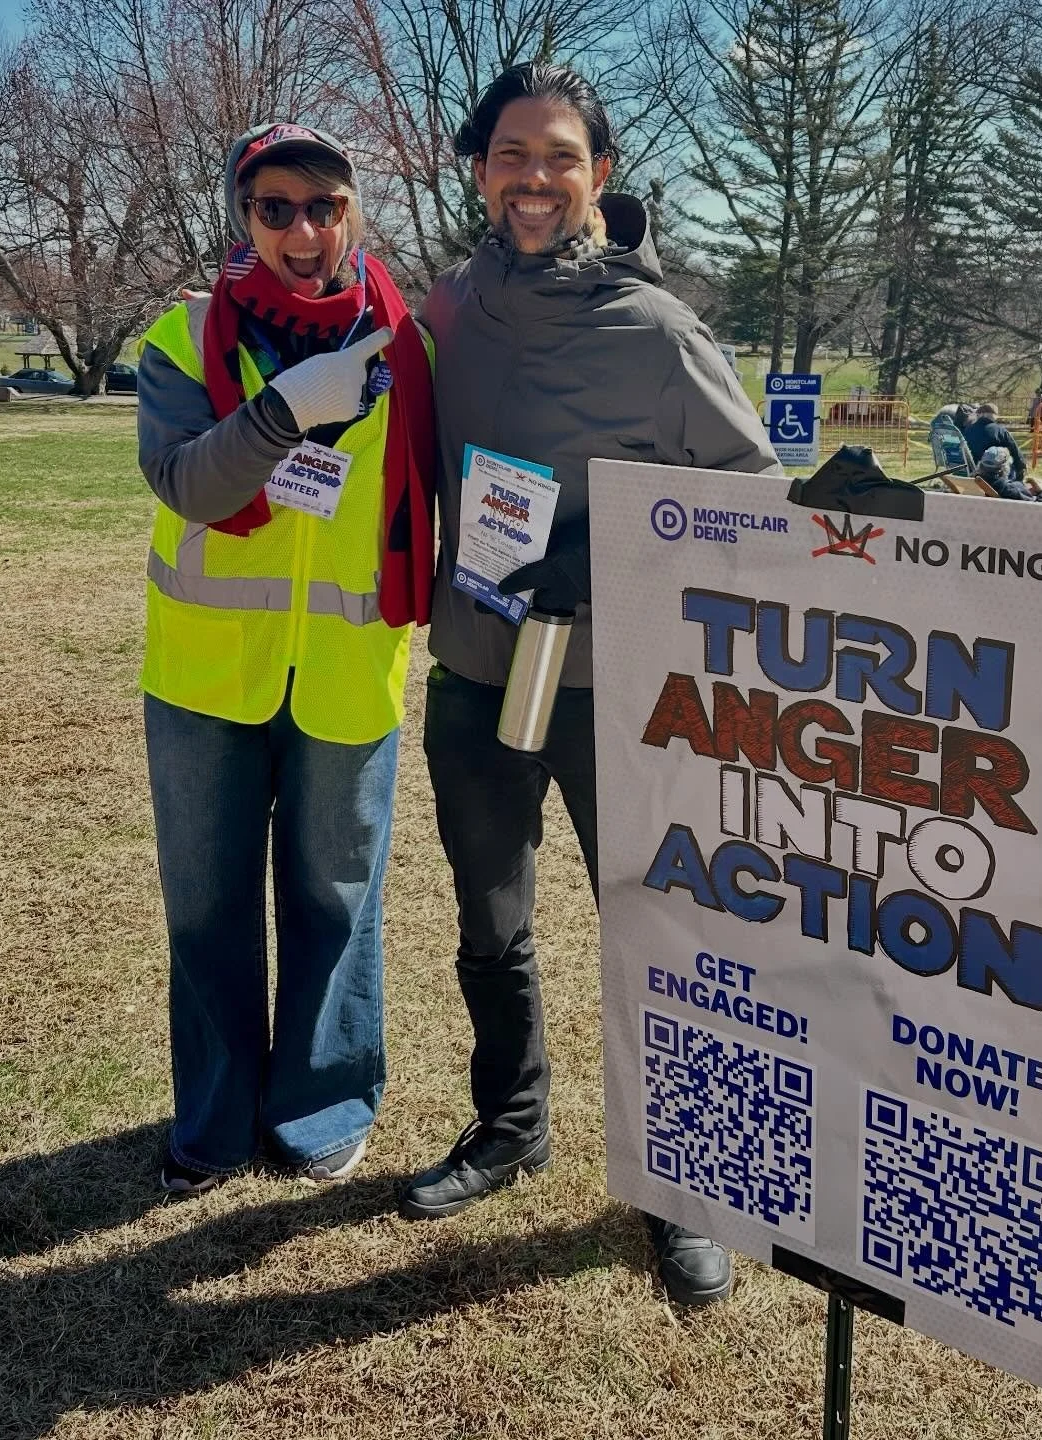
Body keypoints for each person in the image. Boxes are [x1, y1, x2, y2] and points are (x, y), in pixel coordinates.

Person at [406, 61, 781, 1308]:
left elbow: (757, 502)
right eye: (513, 152)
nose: (534, 177)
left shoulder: (661, 332)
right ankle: (512, 1128)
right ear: (481, 167)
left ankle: (687, 1190)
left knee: (662, 940)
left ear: (599, 176)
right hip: (475, 677)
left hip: (622, 695)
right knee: (490, 929)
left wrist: (615, 551)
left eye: (560, 155)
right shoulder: (447, 312)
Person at [135, 121, 435, 1195]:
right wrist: (278, 415)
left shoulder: (414, 348)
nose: (302, 230)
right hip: (207, 677)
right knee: (207, 904)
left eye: (323, 205)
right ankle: (213, 1120)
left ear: (352, 212)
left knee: (334, 898)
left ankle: (320, 1107)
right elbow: (187, 486)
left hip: (352, 670)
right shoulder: (183, 338)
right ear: (243, 217)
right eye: (274, 209)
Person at [962, 401, 1026, 481]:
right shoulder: (1000, 431)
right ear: (994, 416)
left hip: (971, 470)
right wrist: (1021, 469)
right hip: (993, 474)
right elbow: (1016, 453)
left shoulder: (968, 430)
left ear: (980, 414)